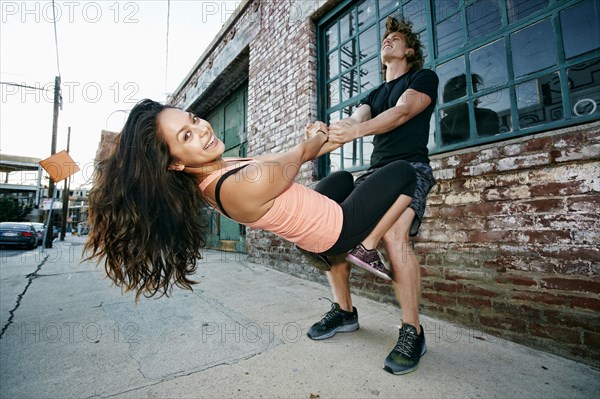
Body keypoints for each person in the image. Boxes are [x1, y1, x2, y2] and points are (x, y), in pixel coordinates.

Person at [84, 98, 418, 303]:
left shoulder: (219, 168)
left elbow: (300, 154)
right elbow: (304, 153)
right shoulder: (240, 186)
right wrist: (318, 134)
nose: (202, 130)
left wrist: (323, 137)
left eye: (194, 119)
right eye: (186, 136)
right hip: (336, 229)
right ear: (175, 163)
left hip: (313, 218)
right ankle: (366, 245)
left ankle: (313, 245)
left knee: (342, 178)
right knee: (403, 172)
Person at [305, 15, 439, 376]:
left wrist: (355, 131)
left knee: (396, 239)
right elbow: (352, 123)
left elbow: (402, 113)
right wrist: (322, 132)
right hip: (375, 175)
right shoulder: (373, 95)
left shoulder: (421, 78)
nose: (387, 41)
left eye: (396, 38)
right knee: (331, 228)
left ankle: (413, 332)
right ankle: (345, 312)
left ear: (409, 50)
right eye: (385, 39)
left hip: (411, 170)